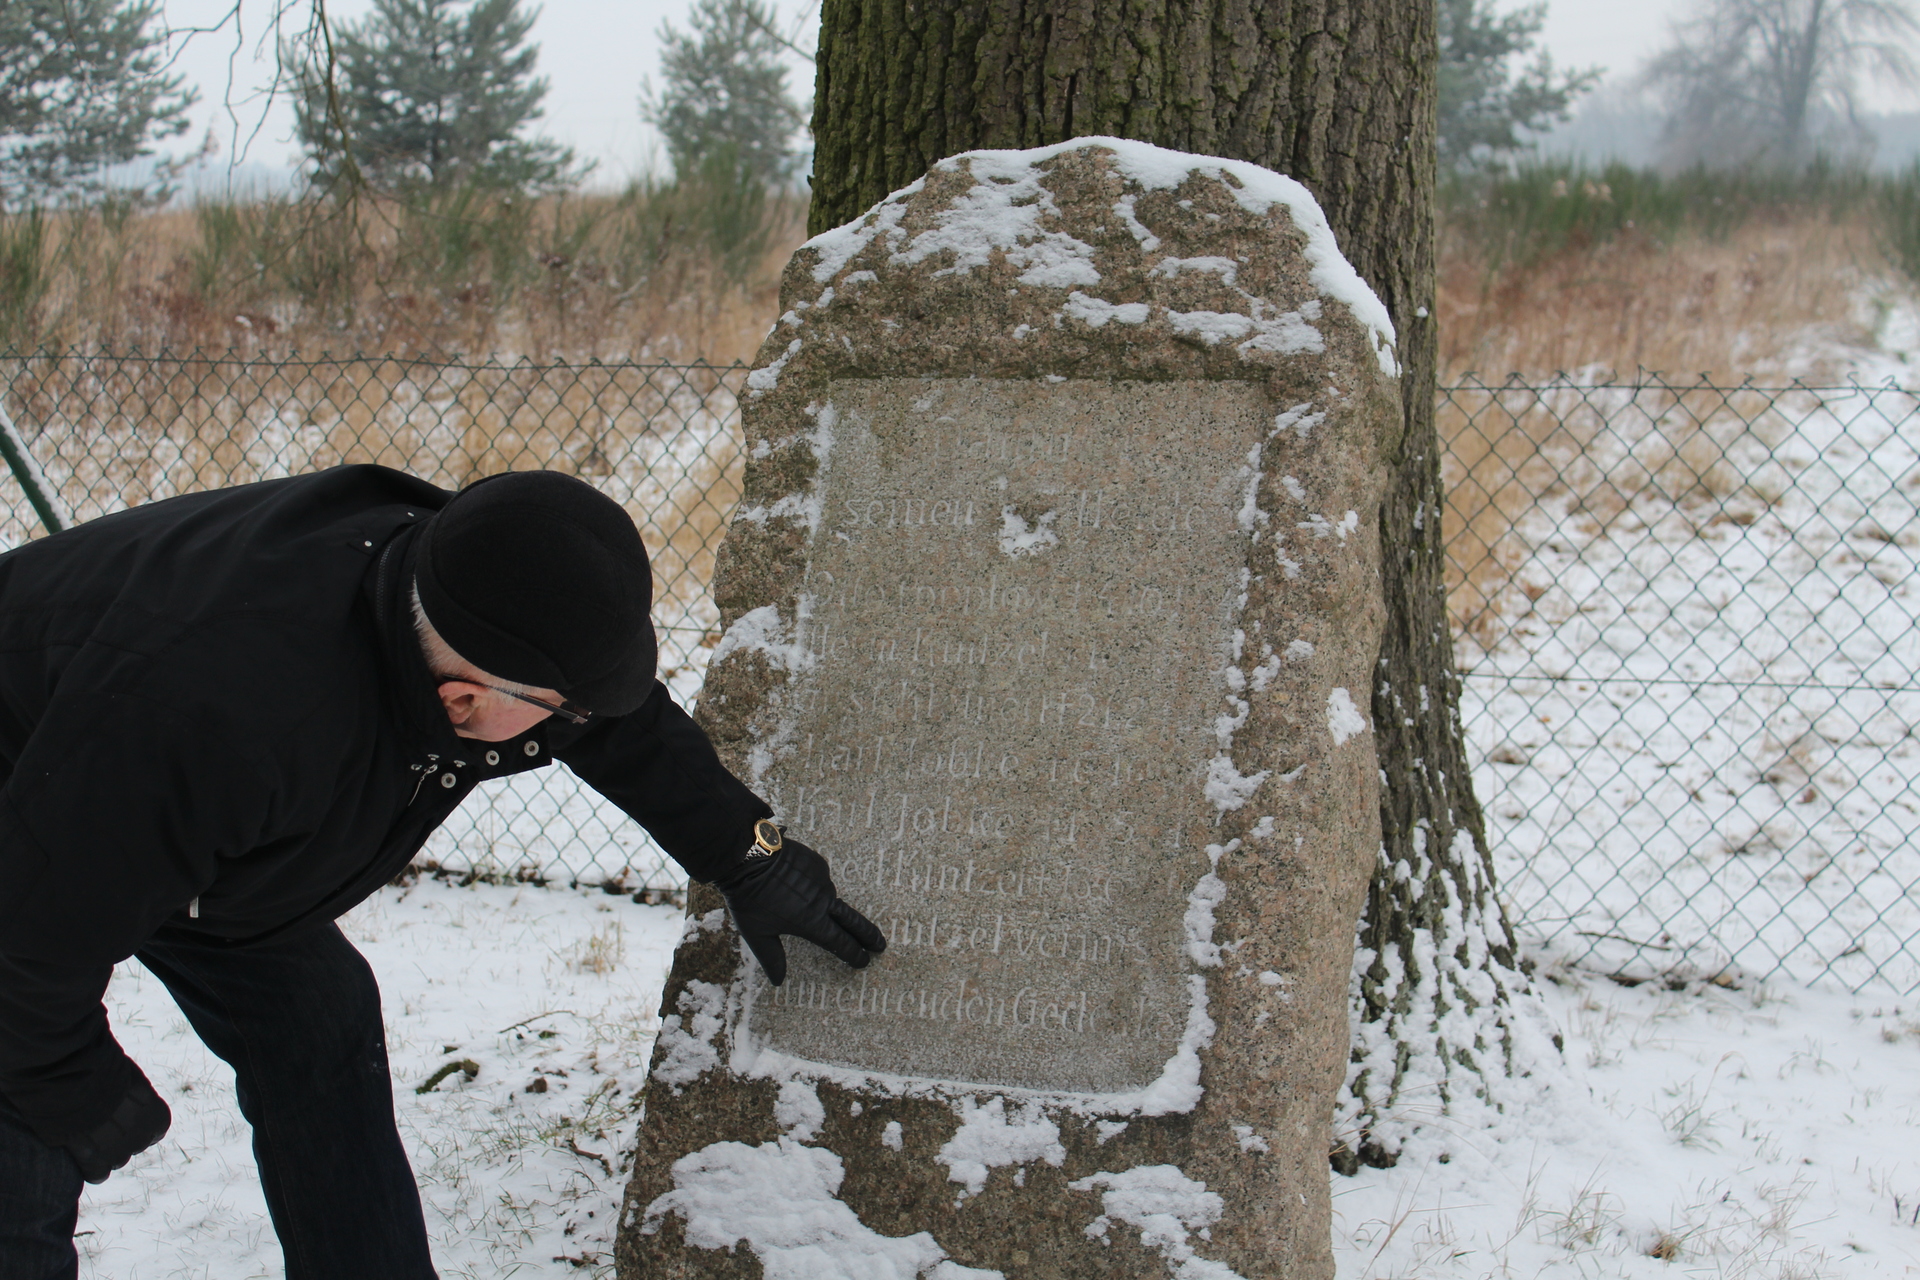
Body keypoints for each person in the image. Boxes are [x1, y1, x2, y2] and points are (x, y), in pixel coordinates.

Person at [0, 465, 884, 1279]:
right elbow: (26, 947)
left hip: (151, 832)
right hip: (36, 820)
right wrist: (73, 1088)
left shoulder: (471, 581)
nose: (576, 721)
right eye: (559, 711)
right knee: (25, 1135)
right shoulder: (218, 716)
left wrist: (747, 853)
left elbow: (611, 716)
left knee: (319, 1023)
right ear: (460, 698)